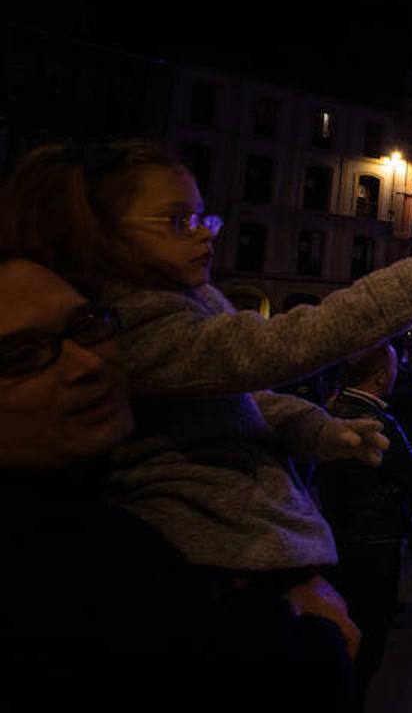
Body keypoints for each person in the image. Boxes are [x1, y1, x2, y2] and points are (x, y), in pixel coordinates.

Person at [0, 141, 412, 639]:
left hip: (248, 545)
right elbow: (279, 345)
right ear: (103, 238)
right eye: (176, 221)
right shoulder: (137, 322)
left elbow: (232, 402)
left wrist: (313, 427)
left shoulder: (183, 304)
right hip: (223, 553)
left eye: (202, 218)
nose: (204, 236)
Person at [0, 257, 357, 711]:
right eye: (21, 357)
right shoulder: (70, 571)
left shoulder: (114, 501)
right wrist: (302, 629)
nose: (85, 363)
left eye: (87, 324)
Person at [314, 343, 412, 705]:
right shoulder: (377, 420)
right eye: (394, 368)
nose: (397, 374)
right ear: (381, 376)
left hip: (336, 532)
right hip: (375, 539)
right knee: (368, 635)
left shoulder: (329, 410)